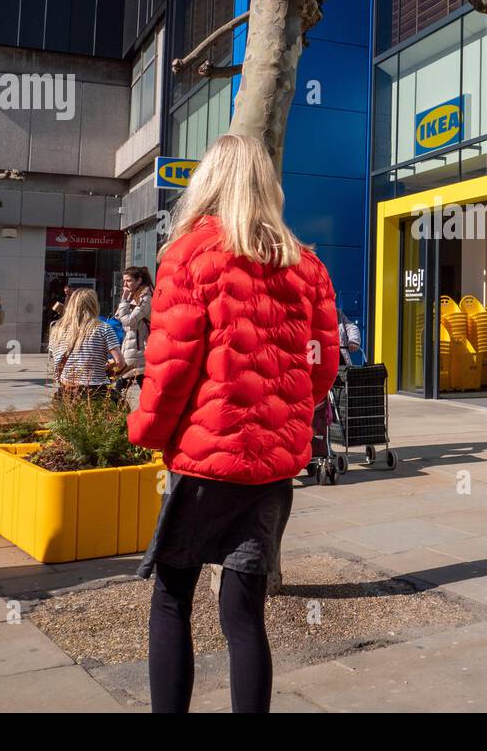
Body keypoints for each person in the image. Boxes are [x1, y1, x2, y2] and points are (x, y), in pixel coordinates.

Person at [129, 134, 339, 714]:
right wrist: (288, 420)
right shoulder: (307, 265)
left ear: (209, 182)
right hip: (271, 468)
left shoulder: (190, 255)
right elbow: (323, 366)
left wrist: (146, 431)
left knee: (173, 597)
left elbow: (170, 368)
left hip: (205, 461)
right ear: (268, 186)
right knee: (245, 615)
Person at [48, 288, 123, 400]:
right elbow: (120, 362)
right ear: (94, 305)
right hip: (95, 391)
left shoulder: (56, 329)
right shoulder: (104, 328)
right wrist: (106, 367)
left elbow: (56, 358)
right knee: (123, 409)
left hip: (65, 391)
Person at [114, 266, 153, 392]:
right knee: (144, 388)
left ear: (139, 280)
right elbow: (120, 318)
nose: (125, 284)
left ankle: (113, 410)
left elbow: (128, 321)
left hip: (139, 349)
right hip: (133, 347)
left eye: (129, 280)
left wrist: (124, 300)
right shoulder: (134, 296)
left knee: (119, 387)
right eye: (124, 281)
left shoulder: (145, 298)